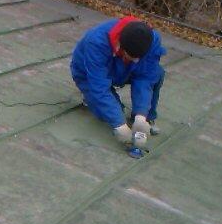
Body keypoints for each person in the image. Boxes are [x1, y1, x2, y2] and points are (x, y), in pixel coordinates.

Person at [70, 16, 166, 147]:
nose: (135, 61)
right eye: (131, 56)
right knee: (109, 113)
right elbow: (99, 86)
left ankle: (145, 120)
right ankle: (90, 98)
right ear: (119, 44)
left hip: (123, 69)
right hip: (88, 74)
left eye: (138, 58)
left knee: (157, 74)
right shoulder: (96, 42)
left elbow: (145, 77)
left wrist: (141, 115)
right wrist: (119, 124)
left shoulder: (152, 41)